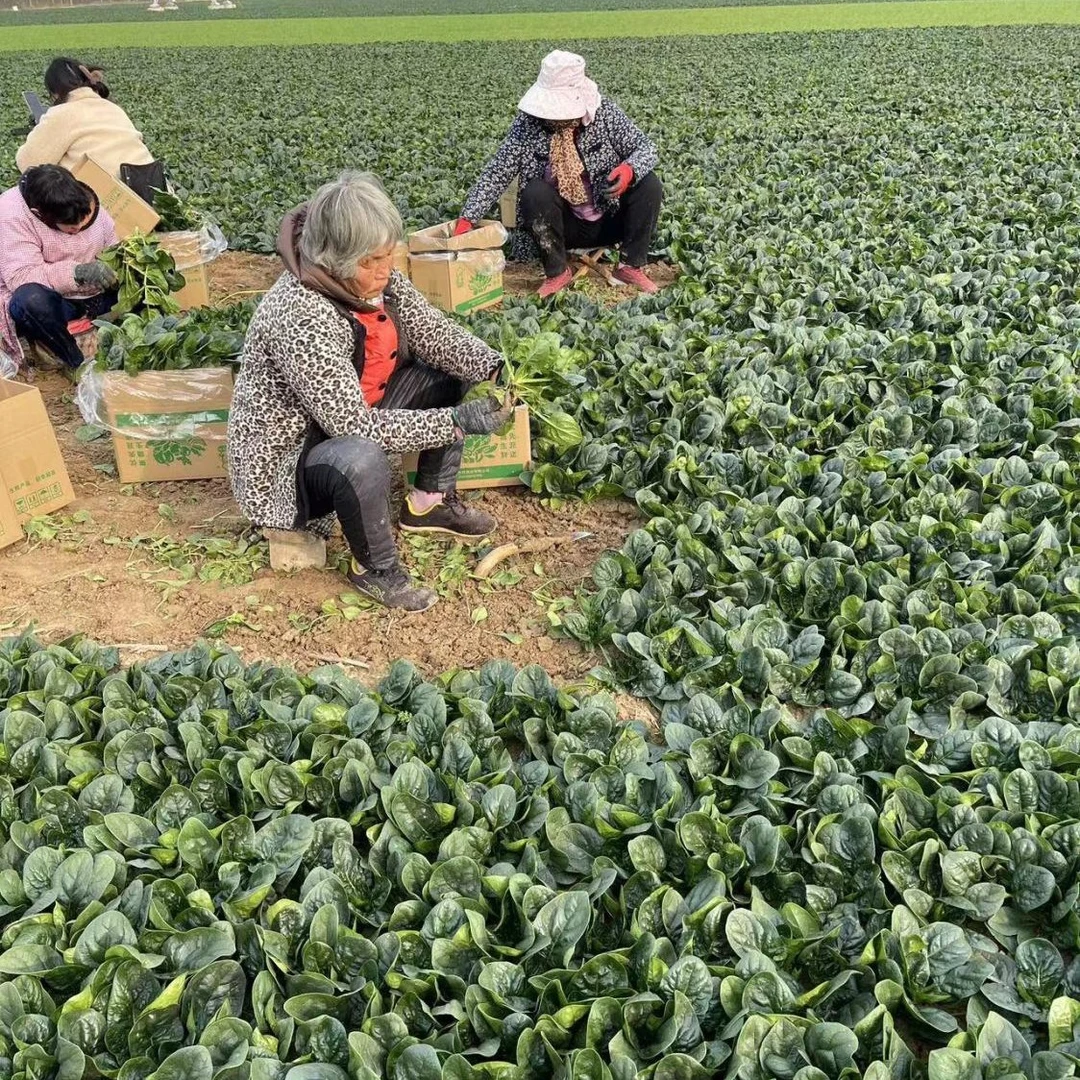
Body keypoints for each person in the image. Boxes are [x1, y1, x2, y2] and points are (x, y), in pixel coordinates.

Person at [227, 171, 512, 614]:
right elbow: (354, 428)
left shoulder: (376, 280)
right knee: (361, 457)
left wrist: (494, 365)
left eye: (388, 255)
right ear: (334, 260)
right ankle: (375, 569)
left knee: (447, 373)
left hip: (350, 414)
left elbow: (433, 333)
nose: (385, 269)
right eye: (370, 261)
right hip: (291, 462)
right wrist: (455, 422)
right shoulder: (302, 315)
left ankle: (428, 504)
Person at [455, 50, 663, 299]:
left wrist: (629, 169)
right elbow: (498, 170)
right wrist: (467, 218)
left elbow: (646, 147)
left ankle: (630, 266)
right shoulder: (528, 124)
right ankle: (557, 272)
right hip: (562, 226)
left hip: (609, 216)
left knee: (649, 184)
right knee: (534, 192)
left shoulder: (604, 114)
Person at [0, 164, 118, 372]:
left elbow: (112, 245)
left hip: (94, 295)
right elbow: (21, 275)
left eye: (82, 220)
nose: (79, 227)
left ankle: (100, 328)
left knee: (141, 279)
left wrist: (113, 267)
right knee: (29, 300)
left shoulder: (80, 198)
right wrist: (77, 273)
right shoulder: (11, 213)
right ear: (40, 214)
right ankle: (75, 359)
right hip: (56, 302)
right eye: (71, 226)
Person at [16, 58, 156, 186]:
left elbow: (29, 164)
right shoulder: (113, 107)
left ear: (54, 93)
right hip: (155, 191)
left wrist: (37, 131)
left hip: (112, 198)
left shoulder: (61, 113)